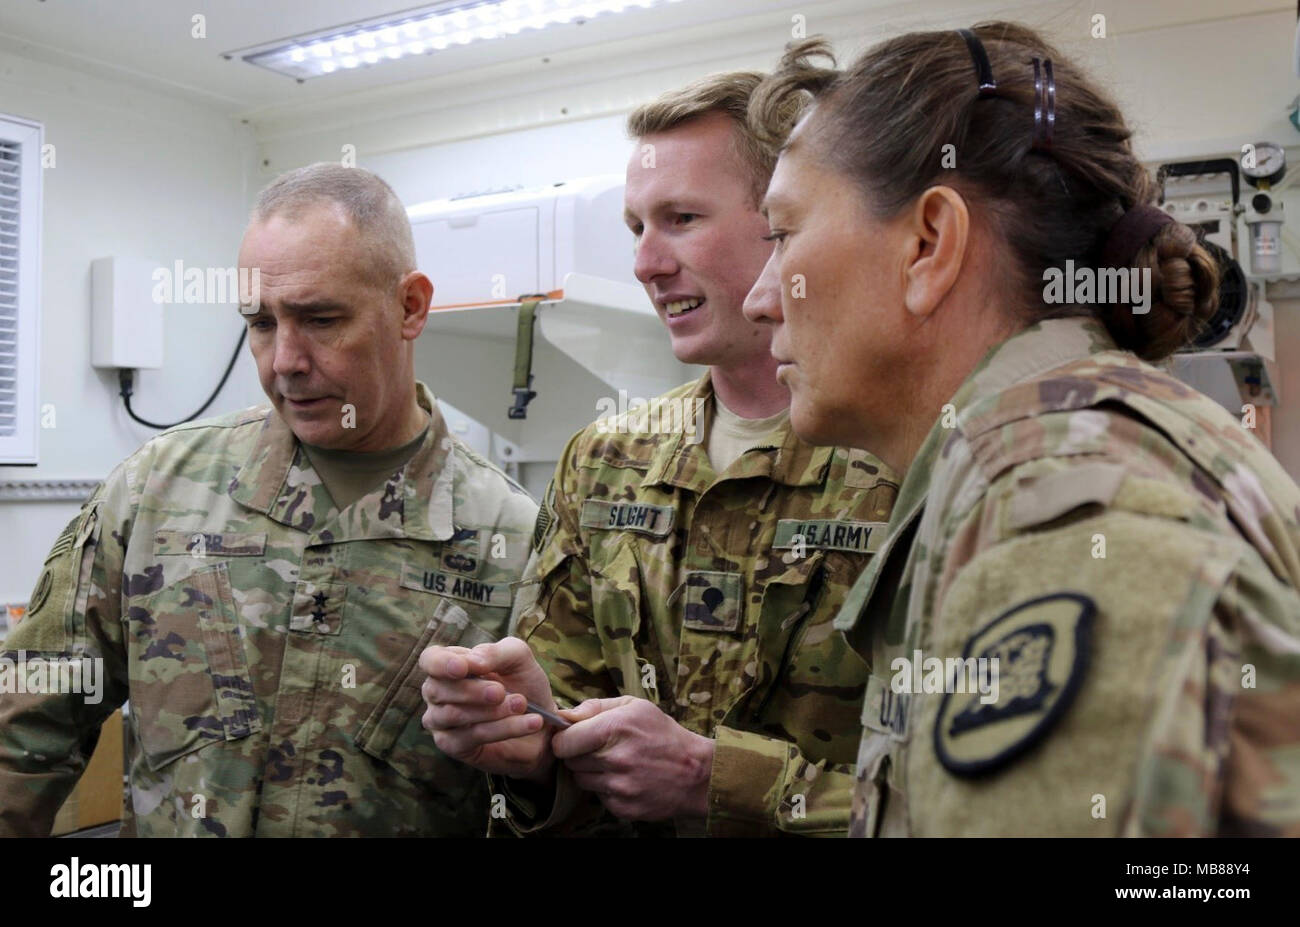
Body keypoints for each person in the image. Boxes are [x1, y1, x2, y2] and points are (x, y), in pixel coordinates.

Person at [742, 21, 1300, 836]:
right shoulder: (1045, 452)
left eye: (782, 234)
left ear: (929, 245)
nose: (761, 296)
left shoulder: (1052, 502)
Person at [419, 73, 900, 836]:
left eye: (680, 218)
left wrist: (719, 781)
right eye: (635, 227)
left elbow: (966, 806)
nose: (645, 263)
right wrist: (527, 738)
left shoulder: (902, 459)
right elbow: (564, 744)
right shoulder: (607, 459)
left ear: (782, 222)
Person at [0, 164, 538, 836]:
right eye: (259, 322)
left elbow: (554, 801)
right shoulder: (157, 491)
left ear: (411, 307)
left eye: (320, 319)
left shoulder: (513, 541)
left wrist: (538, 767)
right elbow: (28, 723)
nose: (284, 358)